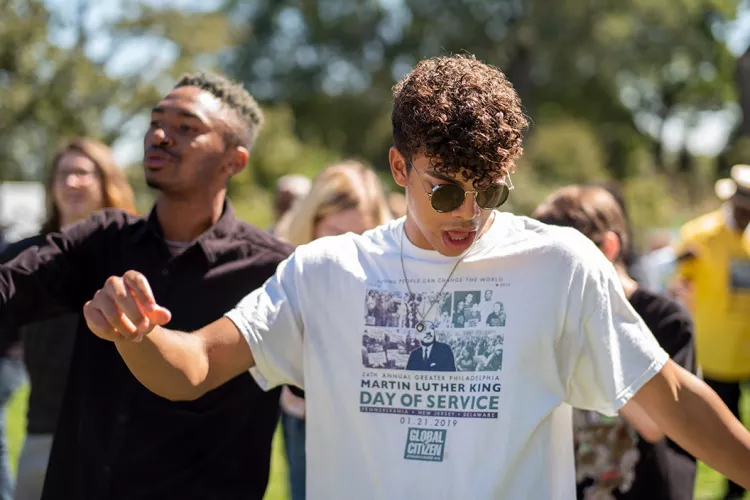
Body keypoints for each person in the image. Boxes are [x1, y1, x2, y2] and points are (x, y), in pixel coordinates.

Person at [82, 55, 750, 499]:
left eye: (491, 192)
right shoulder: (325, 270)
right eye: (447, 191)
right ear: (400, 170)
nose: (470, 214)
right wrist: (138, 337)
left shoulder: (560, 264)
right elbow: (192, 366)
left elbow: (673, 399)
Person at [0, 72, 292, 499]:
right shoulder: (101, 240)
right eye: (156, 122)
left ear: (235, 160)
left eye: (186, 128)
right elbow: (10, 288)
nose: (160, 136)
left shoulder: (274, 270)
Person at [532, 184, 698, 500]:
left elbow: (655, 424)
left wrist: (590, 334)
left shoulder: (666, 319)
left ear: (608, 247)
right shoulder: (552, 313)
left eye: (562, 260)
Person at [0, 138, 137, 500]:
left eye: (83, 172)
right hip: (45, 428)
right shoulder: (24, 256)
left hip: (120, 433)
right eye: (63, 173)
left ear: (106, 181)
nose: (72, 182)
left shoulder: (136, 252)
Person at [272, 160, 393, 500]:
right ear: (311, 224)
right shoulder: (287, 273)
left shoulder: (390, 276)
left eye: (362, 237)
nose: (351, 250)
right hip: (308, 422)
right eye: (338, 235)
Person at [673, 164, 750, 500]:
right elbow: (676, 283)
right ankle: (734, 488)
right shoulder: (699, 234)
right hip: (717, 348)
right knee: (725, 424)